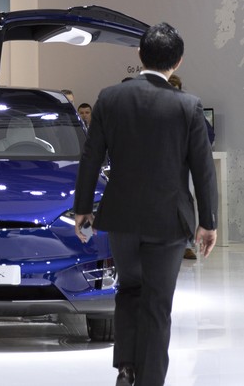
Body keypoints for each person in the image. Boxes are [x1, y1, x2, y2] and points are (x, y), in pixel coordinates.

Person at [73, 23, 218, 386]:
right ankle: (151, 380)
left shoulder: (109, 98)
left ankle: (126, 369)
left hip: (121, 216)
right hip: (169, 220)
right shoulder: (188, 106)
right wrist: (208, 222)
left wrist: (82, 209)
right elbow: (203, 170)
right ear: (178, 61)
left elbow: (91, 158)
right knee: (157, 302)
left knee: (128, 290)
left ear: (139, 55)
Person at [167, 73, 215, 260]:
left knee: (185, 200)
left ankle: (187, 243)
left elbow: (208, 134)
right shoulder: (155, 108)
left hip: (183, 165)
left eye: (175, 88)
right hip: (161, 165)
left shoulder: (189, 107)